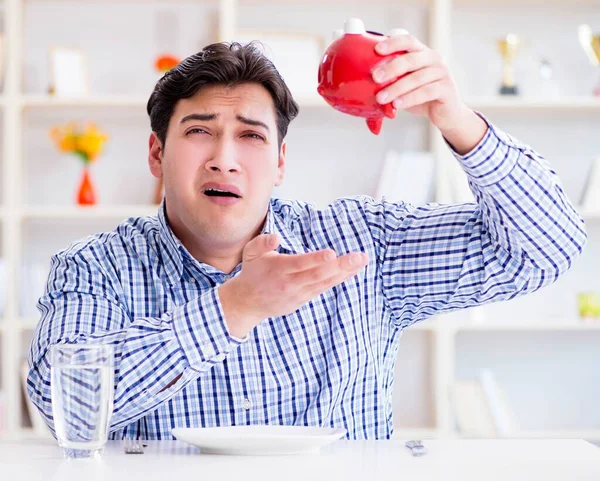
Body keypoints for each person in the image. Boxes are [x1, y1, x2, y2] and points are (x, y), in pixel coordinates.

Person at [27, 37, 587, 440]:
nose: (224, 159)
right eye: (199, 132)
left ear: (279, 162)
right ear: (156, 154)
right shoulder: (93, 268)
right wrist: (234, 307)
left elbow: (547, 247)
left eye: (251, 137)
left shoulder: (361, 242)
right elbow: (66, 410)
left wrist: (457, 119)